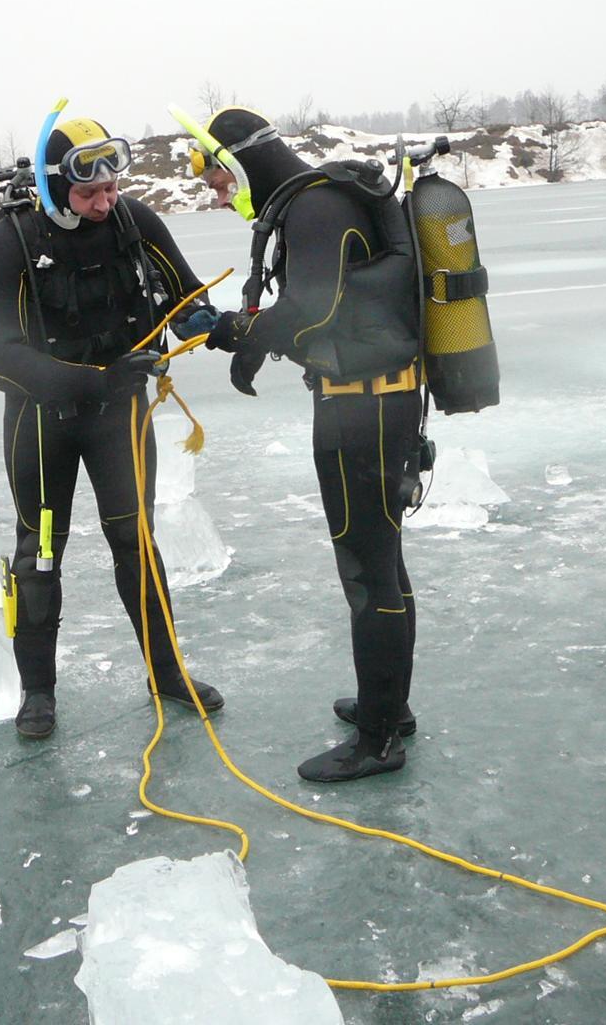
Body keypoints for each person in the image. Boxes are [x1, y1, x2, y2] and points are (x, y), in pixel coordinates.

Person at [188, 107, 423, 782]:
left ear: (237, 162)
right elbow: (327, 307)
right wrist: (252, 343)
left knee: (368, 571)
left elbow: (310, 308)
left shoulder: (315, 208)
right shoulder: (324, 198)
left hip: (361, 410)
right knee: (382, 559)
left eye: (215, 179)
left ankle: (379, 741)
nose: (216, 193)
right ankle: (390, 706)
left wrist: (233, 332)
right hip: (381, 399)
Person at [0, 115, 223, 739]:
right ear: (56, 187)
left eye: (111, 189)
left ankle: (167, 672)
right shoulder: (12, 240)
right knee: (40, 553)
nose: (106, 203)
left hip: (120, 417)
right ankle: (37, 691)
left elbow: (185, 293)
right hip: (41, 420)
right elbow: (1, 356)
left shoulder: (134, 221)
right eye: (89, 194)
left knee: (137, 541)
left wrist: (203, 320)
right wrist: (97, 381)